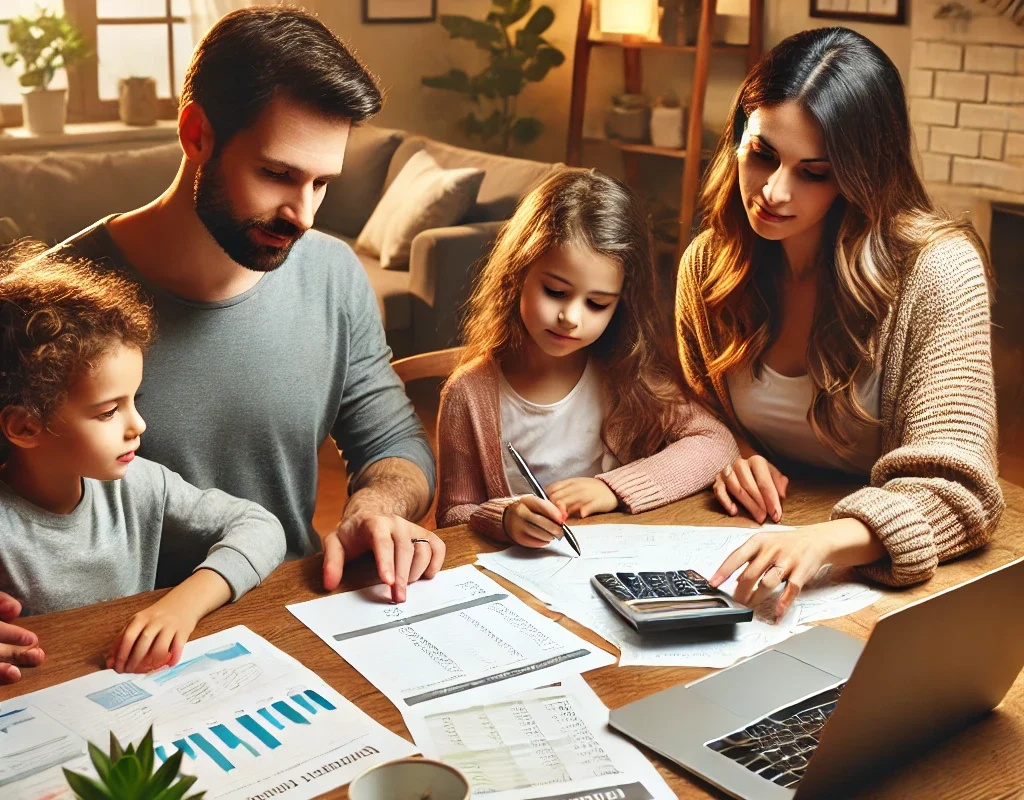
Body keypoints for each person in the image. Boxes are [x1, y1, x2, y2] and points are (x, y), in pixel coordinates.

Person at [54, 7, 444, 603]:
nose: (304, 217)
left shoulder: (334, 275)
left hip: (292, 611)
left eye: (321, 183)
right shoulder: (50, 298)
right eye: (276, 174)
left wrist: (375, 505)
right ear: (196, 134)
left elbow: (395, 442)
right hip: (118, 640)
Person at [675, 27, 1004, 618]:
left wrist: (825, 540)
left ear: (862, 175)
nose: (774, 191)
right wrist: (732, 448)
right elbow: (693, 409)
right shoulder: (708, 265)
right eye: (763, 154)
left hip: (877, 572)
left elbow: (962, 493)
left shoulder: (937, 271)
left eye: (815, 172)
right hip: (749, 537)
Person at [0, 246, 286, 677]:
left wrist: (182, 606)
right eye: (108, 412)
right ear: (25, 428)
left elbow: (262, 527)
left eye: (134, 400)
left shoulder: (139, 484)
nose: (139, 425)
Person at [437, 169, 739, 546]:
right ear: (517, 274)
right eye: (556, 292)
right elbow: (453, 514)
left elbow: (716, 442)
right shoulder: (468, 393)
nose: (571, 318)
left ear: (620, 305)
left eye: (597, 303)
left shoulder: (623, 373)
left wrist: (612, 489)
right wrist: (504, 516)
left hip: (613, 560)